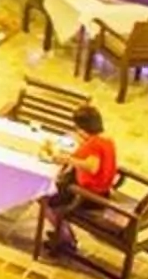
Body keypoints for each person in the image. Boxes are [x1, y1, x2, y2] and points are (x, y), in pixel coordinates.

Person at [45, 105, 118, 257]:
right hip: (102, 190)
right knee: (56, 188)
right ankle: (63, 234)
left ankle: (66, 239)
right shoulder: (106, 139)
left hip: (87, 195)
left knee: (45, 197)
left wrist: (69, 160)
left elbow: (92, 167)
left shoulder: (95, 144)